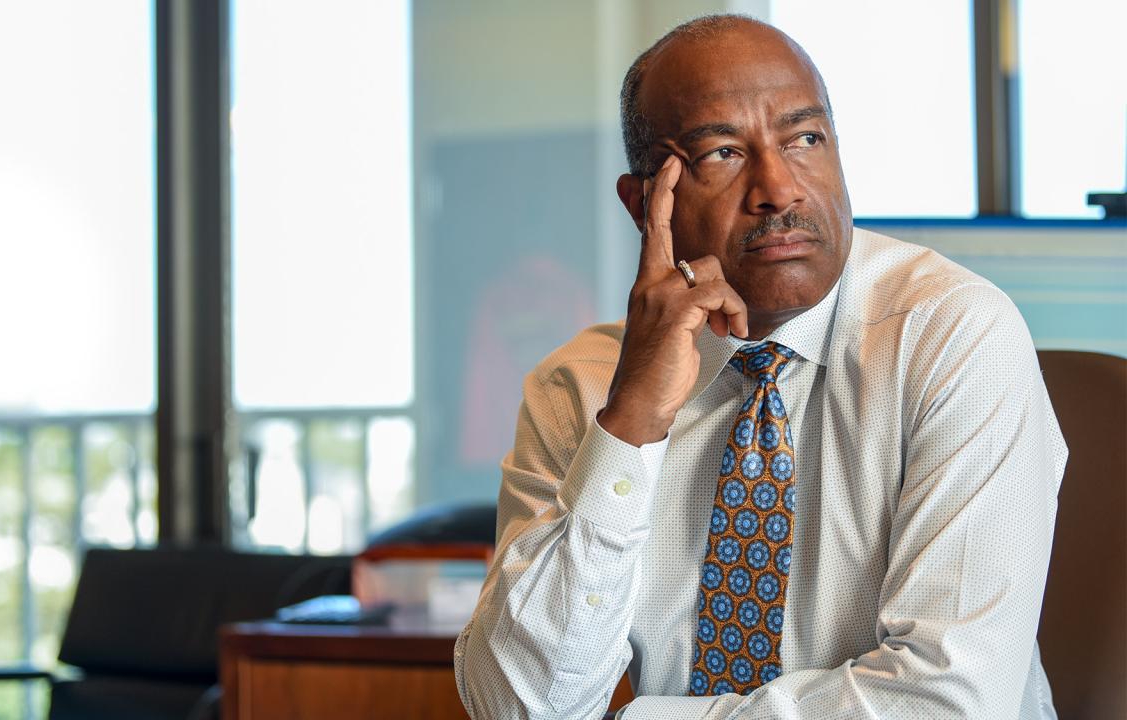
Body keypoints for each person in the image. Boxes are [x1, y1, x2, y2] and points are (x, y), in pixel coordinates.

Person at [453, 14, 1066, 720]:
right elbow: (520, 708)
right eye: (722, 153)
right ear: (644, 202)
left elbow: (951, 703)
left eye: (805, 139)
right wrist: (630, 425)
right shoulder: (581, 388)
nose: (779, 189)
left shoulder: (954, 336)